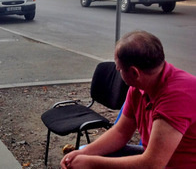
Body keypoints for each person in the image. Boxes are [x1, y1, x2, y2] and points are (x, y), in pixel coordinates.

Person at [61, 30, 196, 169]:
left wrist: (91, 163)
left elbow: (152, 164)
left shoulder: (177, 96)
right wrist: (83, 153)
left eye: (119, 68)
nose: (117, 71)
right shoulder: (139, 87)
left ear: (134, 72)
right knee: (85, 154)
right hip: (159, 160)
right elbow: (120, 132)